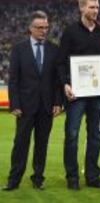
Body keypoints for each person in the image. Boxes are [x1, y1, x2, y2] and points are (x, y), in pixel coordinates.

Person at [3, 10, 61, 191]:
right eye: (40, 28)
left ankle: (38, 179)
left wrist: (58, 103)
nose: (44, 31)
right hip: (25, 107)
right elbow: (13, 80)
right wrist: (15, 104)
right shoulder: (19, 49)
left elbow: (57, 80)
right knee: (20, 144)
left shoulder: (54, 49)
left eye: (46, 27)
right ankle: (14, 180)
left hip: (46, 106)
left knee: (41, 145)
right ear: (30, 28)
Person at [57, 0, 100, 190]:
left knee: (95, 135)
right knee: (72, 134)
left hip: (96, 93)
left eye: (97, 7)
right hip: (76, 94)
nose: (95, 11)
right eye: (91, 7)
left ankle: (92, 176)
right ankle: (72, 177)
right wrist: (65, 84)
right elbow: (61, 62)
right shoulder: (70, 32)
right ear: (81, 8)